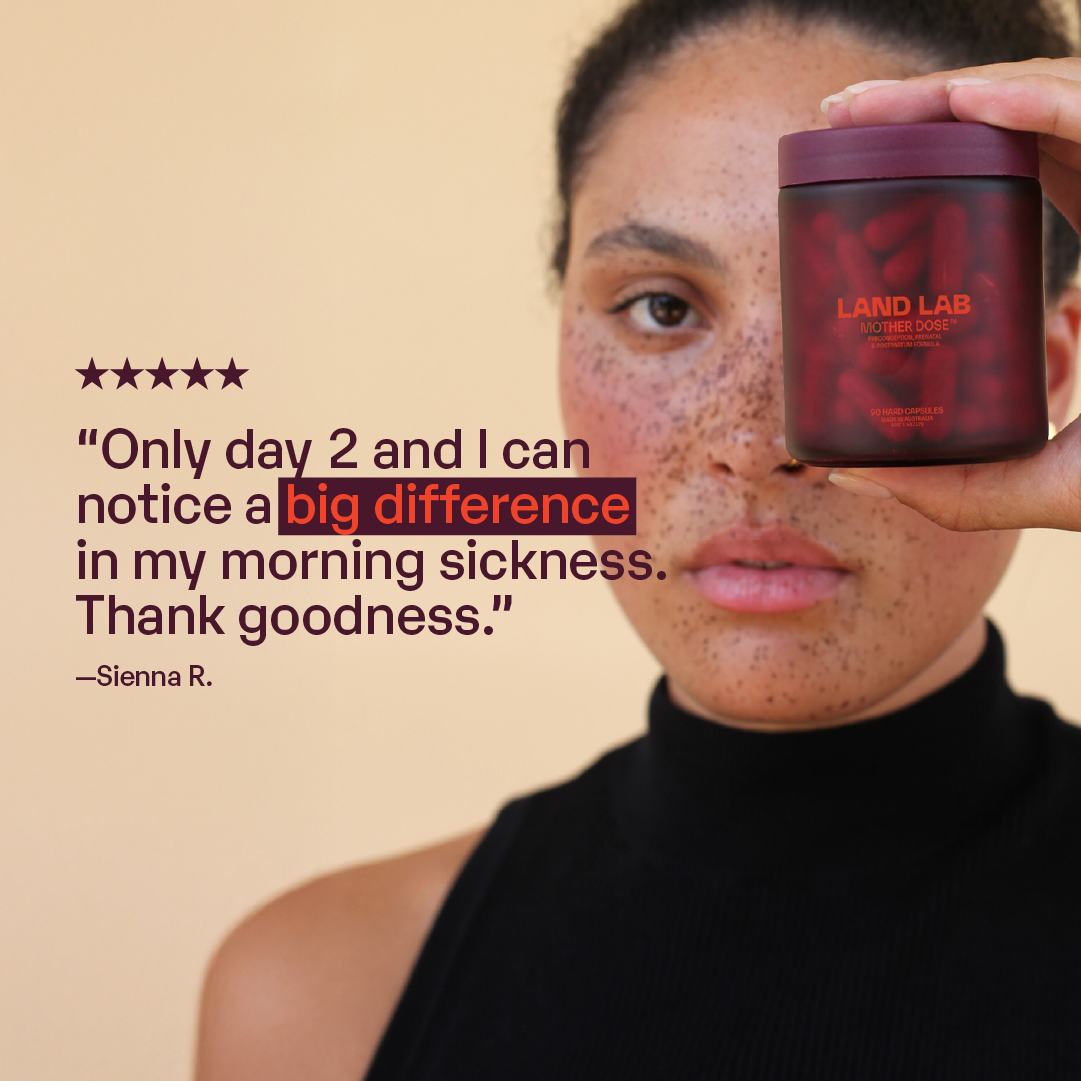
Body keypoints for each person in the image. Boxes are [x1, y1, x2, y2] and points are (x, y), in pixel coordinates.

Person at [194, 1, 1081, 1078]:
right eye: (662, 309)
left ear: (1050, 368)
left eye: (882, 310)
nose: (756, 445)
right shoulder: (321, 998)